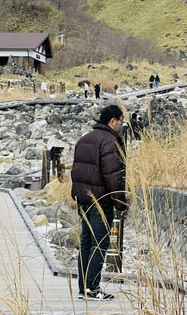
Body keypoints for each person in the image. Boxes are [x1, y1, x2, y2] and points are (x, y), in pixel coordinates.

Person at [71, 104, 127, 301]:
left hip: (83, 201)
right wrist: (121, 204)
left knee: (86, 243)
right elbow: (113, 177)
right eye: (120, 121)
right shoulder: (110, 142)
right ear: (112, 121)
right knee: (100, 244)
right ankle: (93, 288)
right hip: (101, 202)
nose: (122, 125)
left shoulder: (83, 139)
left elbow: (75, 172)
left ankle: (83, 288)